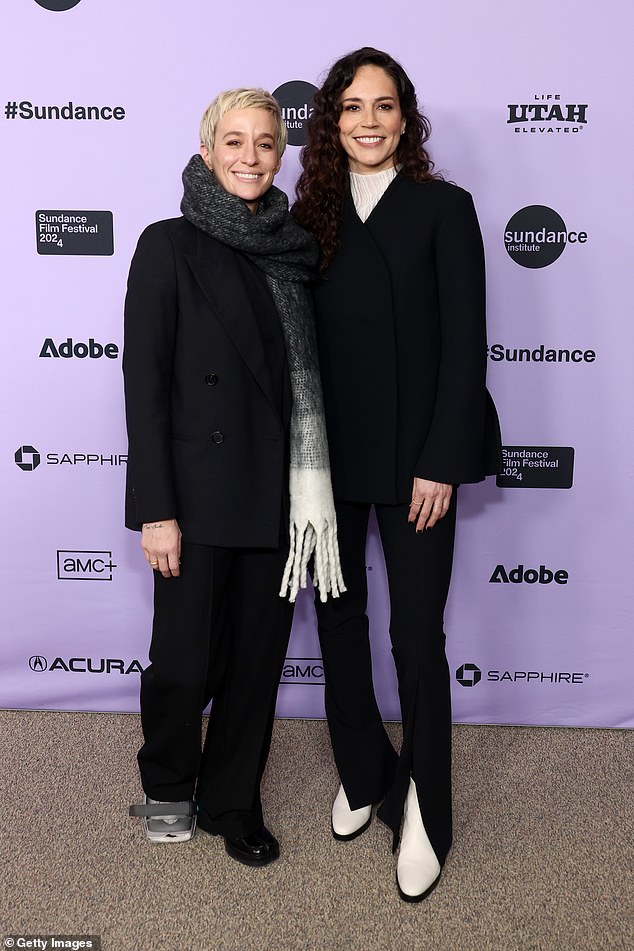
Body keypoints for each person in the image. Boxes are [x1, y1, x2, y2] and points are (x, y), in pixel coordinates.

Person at [292, 48, 501, 900]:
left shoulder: (446, 209)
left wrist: (442, 462)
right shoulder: (306, 214)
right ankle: (364, 769)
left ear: (405, 118)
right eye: (352, 106)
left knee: (417, 638)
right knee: (337, 624)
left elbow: (465, 348)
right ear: (331, 120)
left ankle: (427, 808)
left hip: (420, 462)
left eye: (383, 106)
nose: (368, 121)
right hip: (329, 463)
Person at [123, 88, 343, 867]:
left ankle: (232, 799)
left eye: (266, 144)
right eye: (235, 141)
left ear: (281, 155)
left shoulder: (295, 250)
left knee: (257, 662)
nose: (251, 156)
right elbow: (144, 387)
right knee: (185, 660)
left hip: (279, 493)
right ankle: (169, 783)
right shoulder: (167, 244)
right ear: (209, 149)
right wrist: (157, 509)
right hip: (195, 493)